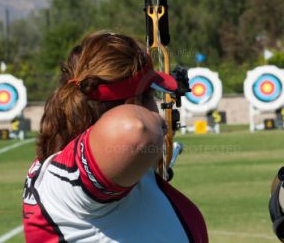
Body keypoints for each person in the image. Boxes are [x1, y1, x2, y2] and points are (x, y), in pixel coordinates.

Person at [22, 31, 208, 243]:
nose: (156, 108)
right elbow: (136, 130)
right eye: (151, 95)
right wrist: (161, 127)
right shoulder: (64, 183)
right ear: (132, 103)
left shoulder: (91, 174)